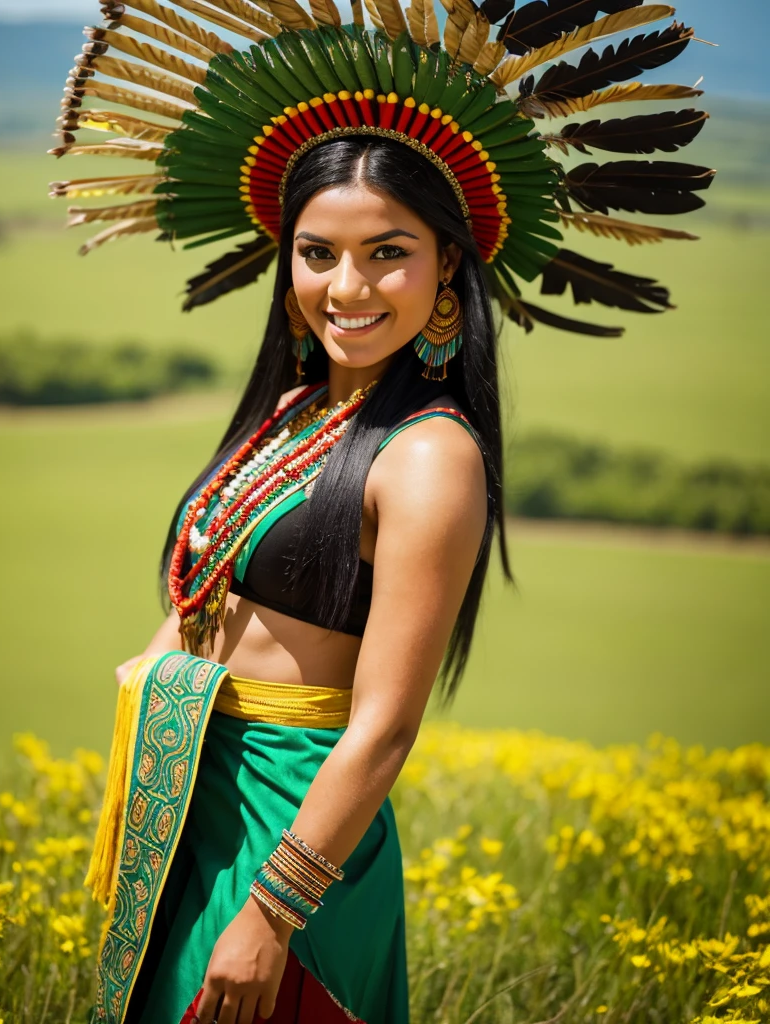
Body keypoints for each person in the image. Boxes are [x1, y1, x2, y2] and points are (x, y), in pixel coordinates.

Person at [49, 3, 712, 1021]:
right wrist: (152, 784)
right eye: (317, 253)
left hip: (293, 829)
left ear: (448, 262)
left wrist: (270, 914)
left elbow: (385, 723)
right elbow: (200, 590)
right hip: (193, 808)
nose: (345, 286)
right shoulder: (292, 412)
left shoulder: (431, 458)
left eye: (385, 252)